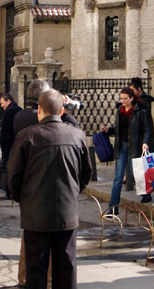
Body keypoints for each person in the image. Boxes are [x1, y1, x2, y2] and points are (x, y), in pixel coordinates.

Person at [9, 90, 92, 289]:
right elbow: (86, 173)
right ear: (62, 110)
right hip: (66, 213)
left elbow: (14, 176)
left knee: (36, 271)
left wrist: (24, 199)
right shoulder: (77, 136)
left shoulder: (27, 136)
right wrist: (72, 193)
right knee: (66, 269)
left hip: (35, 214)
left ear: (39, 110)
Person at [102, 87, 152, 214]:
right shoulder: (120, 111)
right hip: (121, 147)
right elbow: (119, 129)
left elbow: (146, 130)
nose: (123, 101)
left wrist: (145, 143)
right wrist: (109, 130)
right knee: (118, 178)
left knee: (138, 174)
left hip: (134, 146)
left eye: (125, 98)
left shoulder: (140, 111)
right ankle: (113, 208)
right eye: (121, 98)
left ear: (131, 98)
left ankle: (146, 195)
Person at [129, 77, 154, 203]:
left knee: (145, 167)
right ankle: (143, 191)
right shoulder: (134, 102)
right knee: (137, 167)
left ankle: (147, 193)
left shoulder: (144, 102)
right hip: (136, 139)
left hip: (145, 139)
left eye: (132, 90)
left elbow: (143, 121)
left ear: (139, 90)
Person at [0, 93, 21, 200]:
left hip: (9, 145)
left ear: (8, 101)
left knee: (9, 169)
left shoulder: (9, 112)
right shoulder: (19, 109)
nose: (1, 106)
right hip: (17, 143)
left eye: (2, 103)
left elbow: (5, 131)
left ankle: (9, 192)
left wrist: (2, 146)